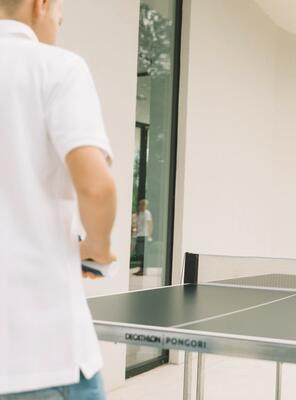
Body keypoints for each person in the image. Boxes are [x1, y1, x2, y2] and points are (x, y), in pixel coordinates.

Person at [0, 0, 117, 398]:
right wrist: (96, 249)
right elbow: (96, 186)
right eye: (59, 18)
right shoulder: (57, 67)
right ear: (41, 4)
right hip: (44, 360)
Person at [132, 199, 153, 276]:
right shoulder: (139, 213)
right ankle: (141, 269)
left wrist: (149, 235)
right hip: (139, 235)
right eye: (139, 205)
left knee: (143, 254)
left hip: (144, 235)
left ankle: (143, 270)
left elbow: (149, 224)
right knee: (140, 254)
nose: (139, 206)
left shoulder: (147, 213)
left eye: (141, 205)